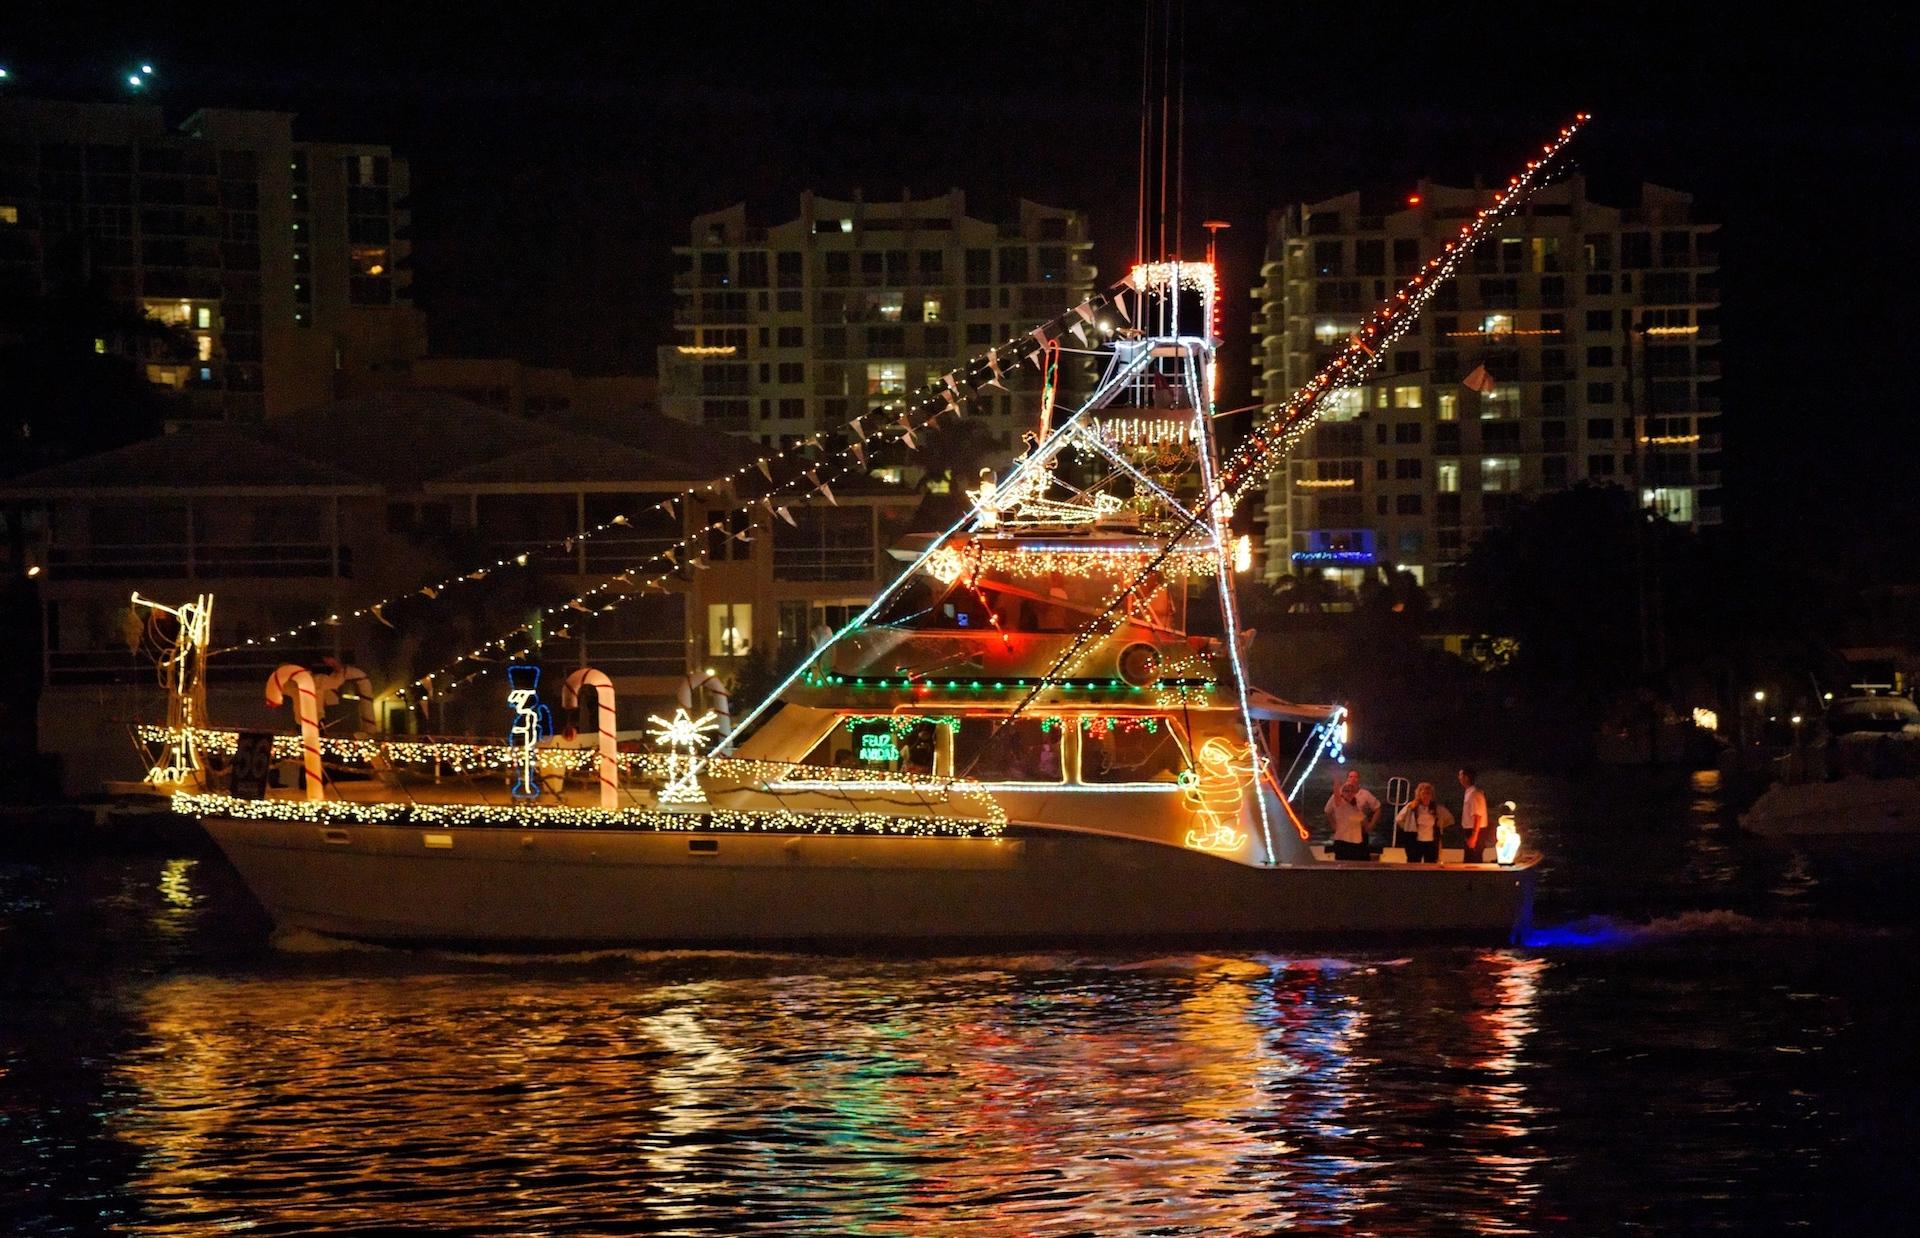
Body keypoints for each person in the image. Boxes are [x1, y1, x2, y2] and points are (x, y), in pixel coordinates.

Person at [1323, 769, 1380, 861]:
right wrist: (1336, 779)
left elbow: (1364, 819)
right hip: (1342, 839)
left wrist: (1369, 825)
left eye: (1351, 791)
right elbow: (1330, 807)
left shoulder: (1357, 805)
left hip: (1357, 839)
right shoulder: (1338, 802)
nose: (1349, 793)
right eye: (1346, 791)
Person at [1394, 780, 1454, 864]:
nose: (1426, 796)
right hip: (1414, 841)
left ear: (1431, 795)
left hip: (1431, 842)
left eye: (1428, 793)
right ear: (1419, 794)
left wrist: (1440, 826)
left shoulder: (1437, 808)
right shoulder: (1412, 806)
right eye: (1423, 793)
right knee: (1413, 863)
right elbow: (1399, 819)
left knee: (1431, 864)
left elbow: (1450, 819)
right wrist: (1407, 827)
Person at [1458, 766, 1489, 860]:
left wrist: (1474, 836)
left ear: (1466, 777)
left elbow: (1477, 816)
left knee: (1473, 859)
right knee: (1469, 858)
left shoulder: (1475, 794)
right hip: (1469, 830)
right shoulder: (1469, 792)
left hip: (1476, 830)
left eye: (1461, 775)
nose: (1459, 778)